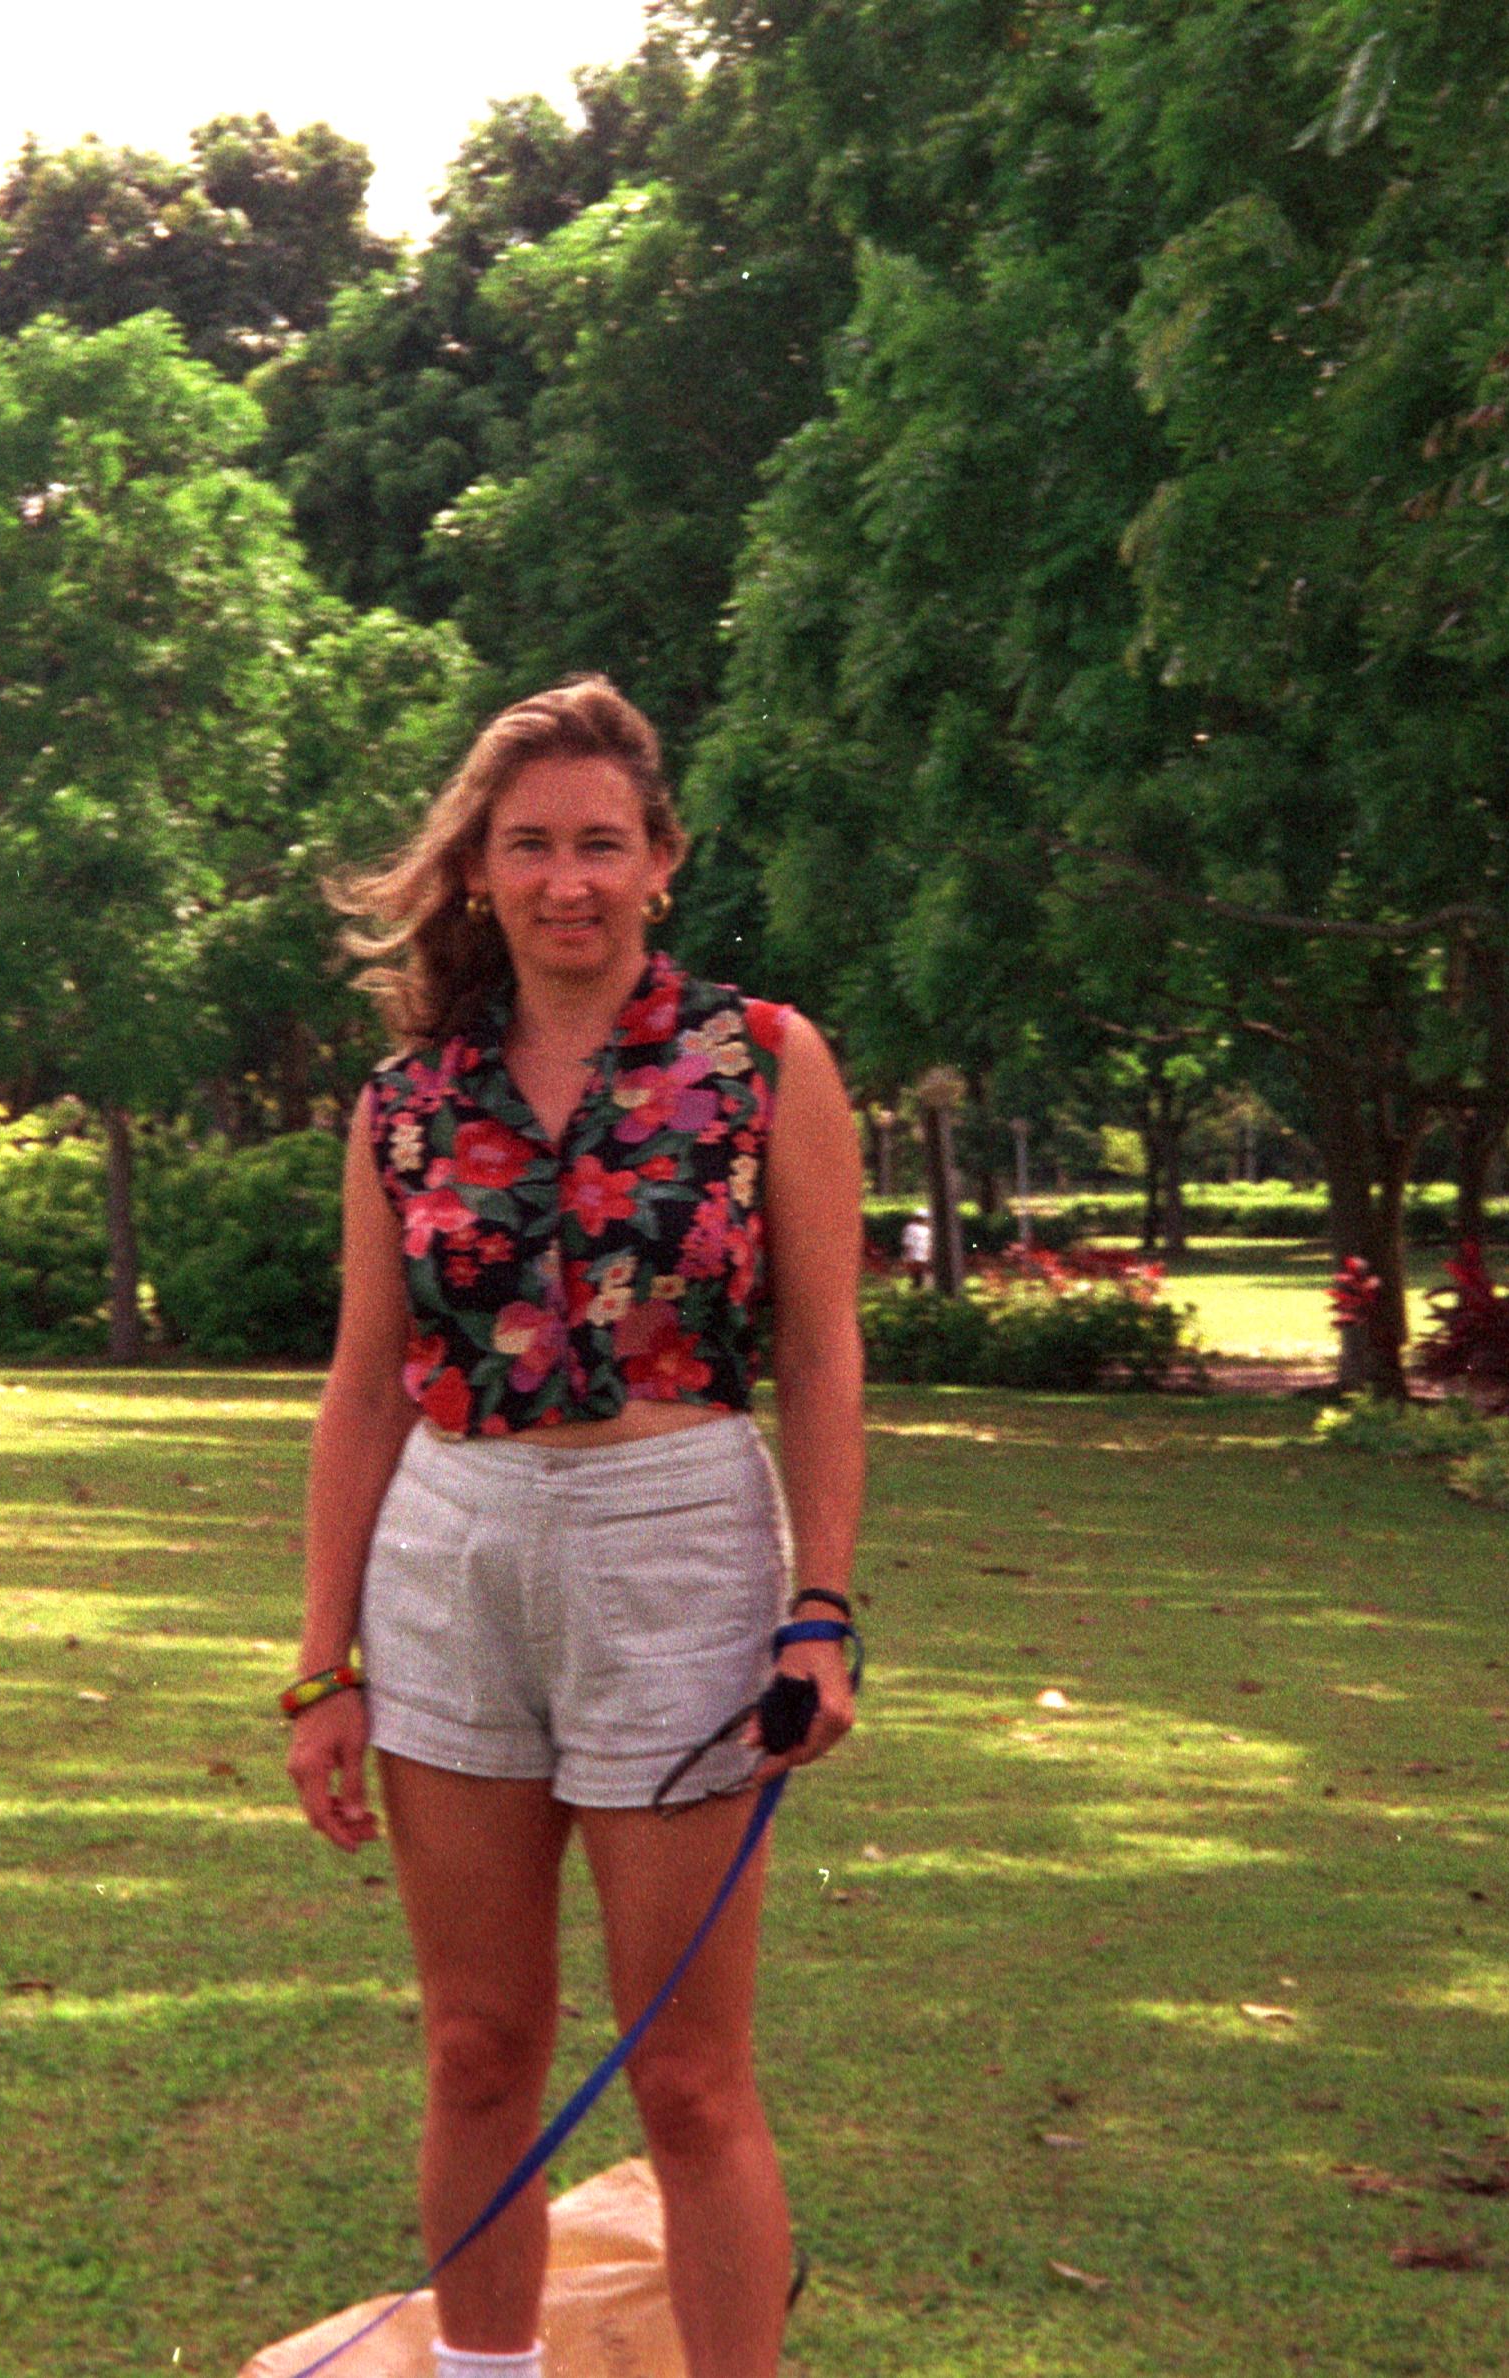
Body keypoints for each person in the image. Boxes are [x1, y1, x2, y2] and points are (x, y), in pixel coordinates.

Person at [287, 677, 865, 2378]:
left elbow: (822, 1350)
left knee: (687, 2075)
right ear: (476, 870)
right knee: (476, 2047)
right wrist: (322, 1662)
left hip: (676, 1539)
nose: (566, 879)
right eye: (528, 844)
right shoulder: (406, 1098)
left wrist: (821, 1605)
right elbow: (364, 1385)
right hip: (451, 1554)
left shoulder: (762, 1061)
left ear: (660, 862)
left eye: (600, 844)